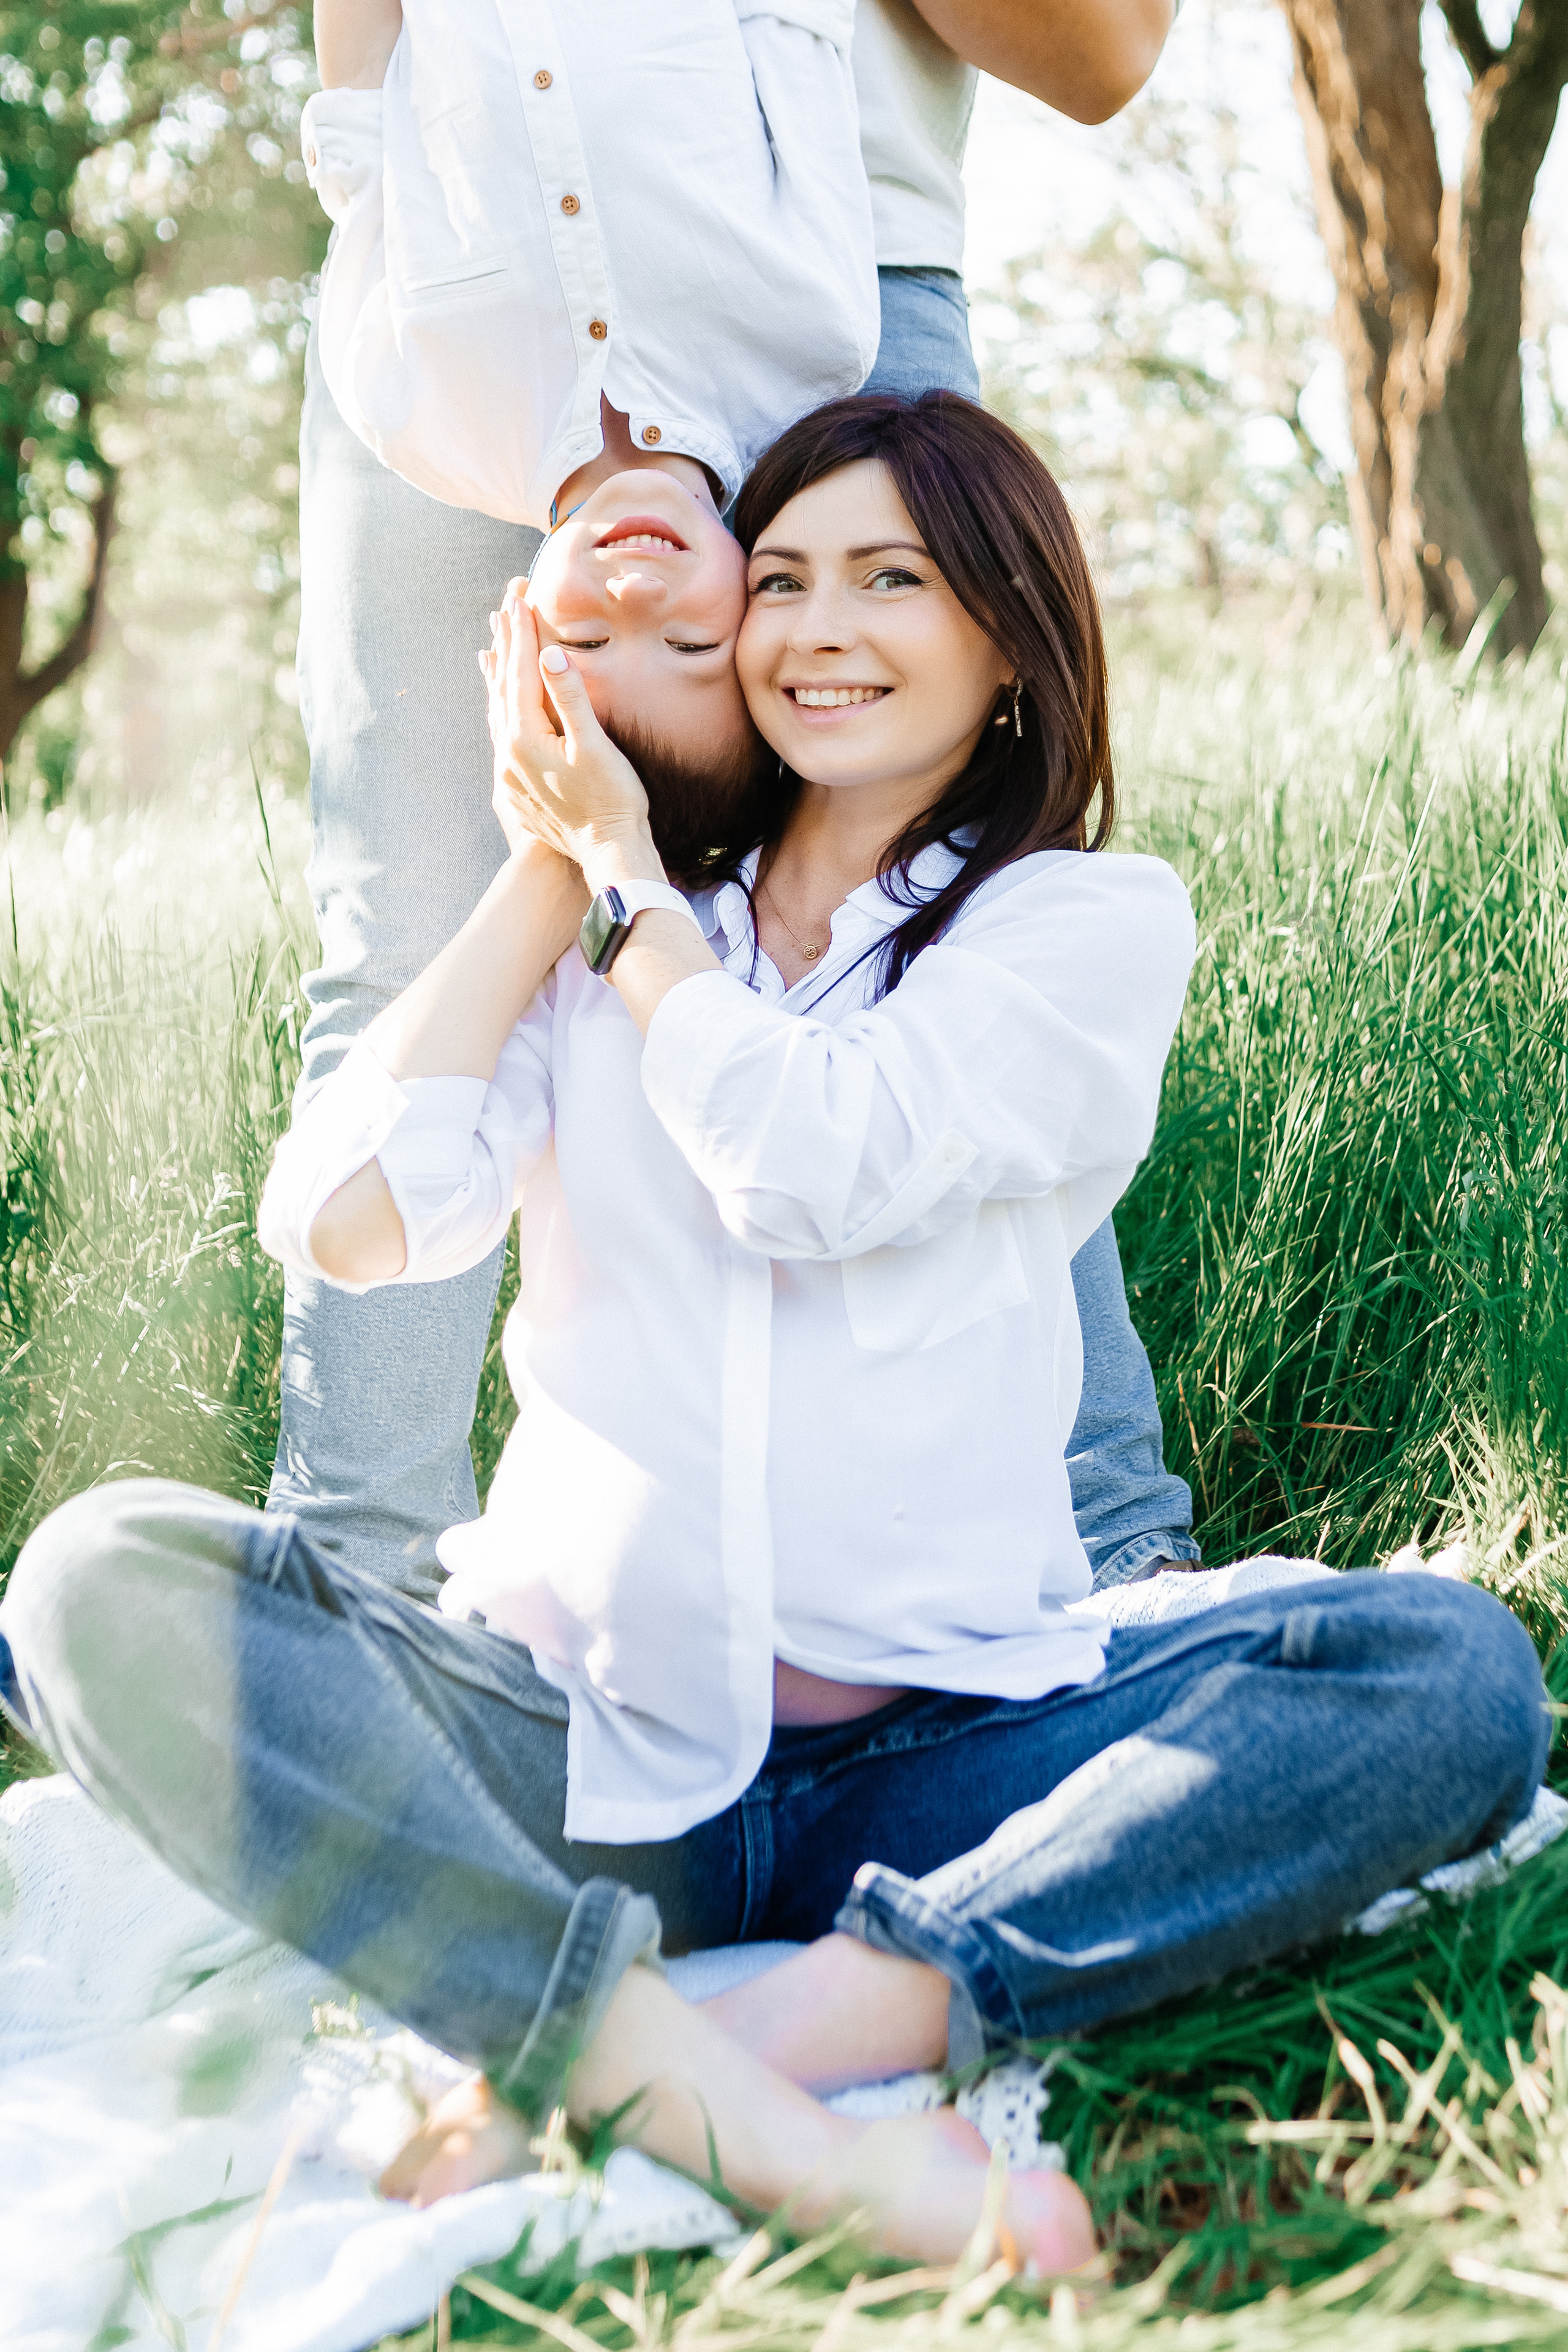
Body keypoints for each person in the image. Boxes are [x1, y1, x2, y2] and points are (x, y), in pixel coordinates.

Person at [2, 396, 1547, 2268]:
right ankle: (780, 2140)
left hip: (944, 1759)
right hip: (583, 1750)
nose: (820, 628)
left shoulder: (1076, 931)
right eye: (785, 582)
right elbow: (340, 1225)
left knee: (1446, 1673)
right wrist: (551, 855)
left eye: (890, 579)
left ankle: (782, 2028)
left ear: (1006, 640)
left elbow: (812, 1164)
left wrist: (633, 897)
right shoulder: (614, 938)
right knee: (94, 1579)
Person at [273, 0, 1199, 1612]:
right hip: (459, 256)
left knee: (929, 914)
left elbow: (1104, 50)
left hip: (811, 260)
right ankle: (353, 1590)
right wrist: (361, 148)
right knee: (420, 926)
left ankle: (1102, 1573)